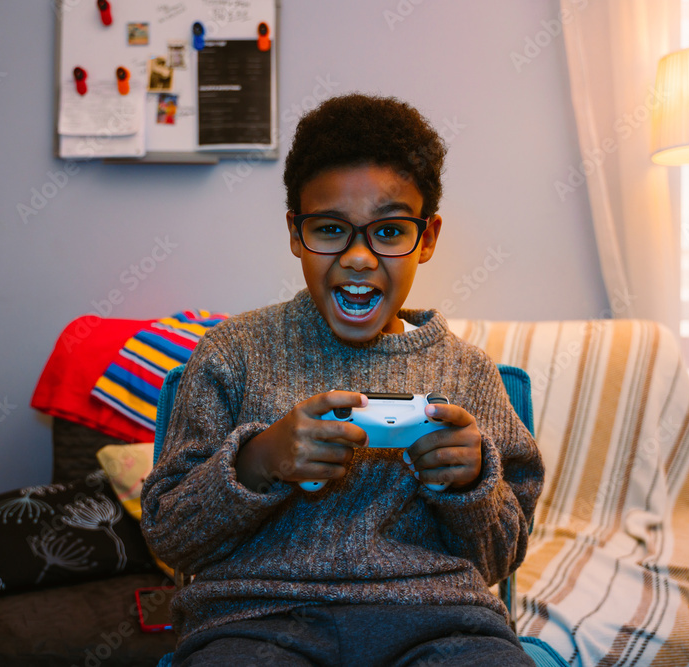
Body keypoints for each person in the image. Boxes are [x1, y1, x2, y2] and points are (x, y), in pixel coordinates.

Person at [141, 93, 544, 666]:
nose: (358, 257)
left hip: (441, 624)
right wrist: (258, 462)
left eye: (388, 231)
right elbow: (170, 536)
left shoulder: (469, 372)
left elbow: (502, 555)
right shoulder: (232, 354)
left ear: (427, 238)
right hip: (257, 623)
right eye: (331, 228)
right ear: (294, 232)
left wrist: (471, 484)